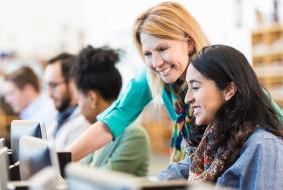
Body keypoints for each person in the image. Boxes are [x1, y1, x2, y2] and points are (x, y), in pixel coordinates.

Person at [67, 1, 283, 163]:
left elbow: (272, 122)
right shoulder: (154, 77)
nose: (156, 62)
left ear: (188, 43)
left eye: (163, 49)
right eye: (148, 53)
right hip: (202, 166)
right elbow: (114, 119)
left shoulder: (221, 70)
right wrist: (62, 159)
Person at [160, 44, 283, 189]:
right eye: (188, 89)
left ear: (229, 90)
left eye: (195, 87)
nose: (187, 98)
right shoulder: (210, 139)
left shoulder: (263, 146)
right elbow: (180, 170)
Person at [72, 45, 150, 176]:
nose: (78, 109)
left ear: (92, 98)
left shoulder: (134, 134)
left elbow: (98, 183)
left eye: (78, 100)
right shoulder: (95, 135)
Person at [44, 52, 90, 151]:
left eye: (53, 85)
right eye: (47, 86)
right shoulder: (60, 116)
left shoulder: (83, 122)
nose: (49, 94)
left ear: (73, 82)